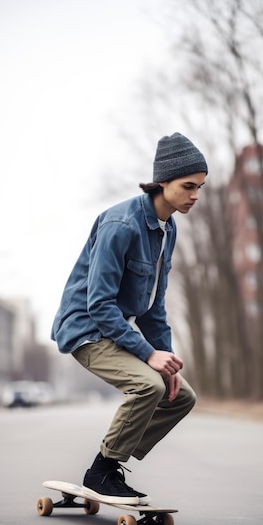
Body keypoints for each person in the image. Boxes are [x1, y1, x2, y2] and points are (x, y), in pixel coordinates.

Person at [51, 132, 208, 505]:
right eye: (188, 186)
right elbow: (99, 304)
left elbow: (154, 308)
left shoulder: (167, 229)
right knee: (147, 387)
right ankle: (103, 471)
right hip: (87, 330)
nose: (195, 196)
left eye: (200, 187)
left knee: (180, 396)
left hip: (115, 330)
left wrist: (165, 360)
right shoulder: (120, 226)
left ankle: (105, 465)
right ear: (162, 182)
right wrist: (147, 355)